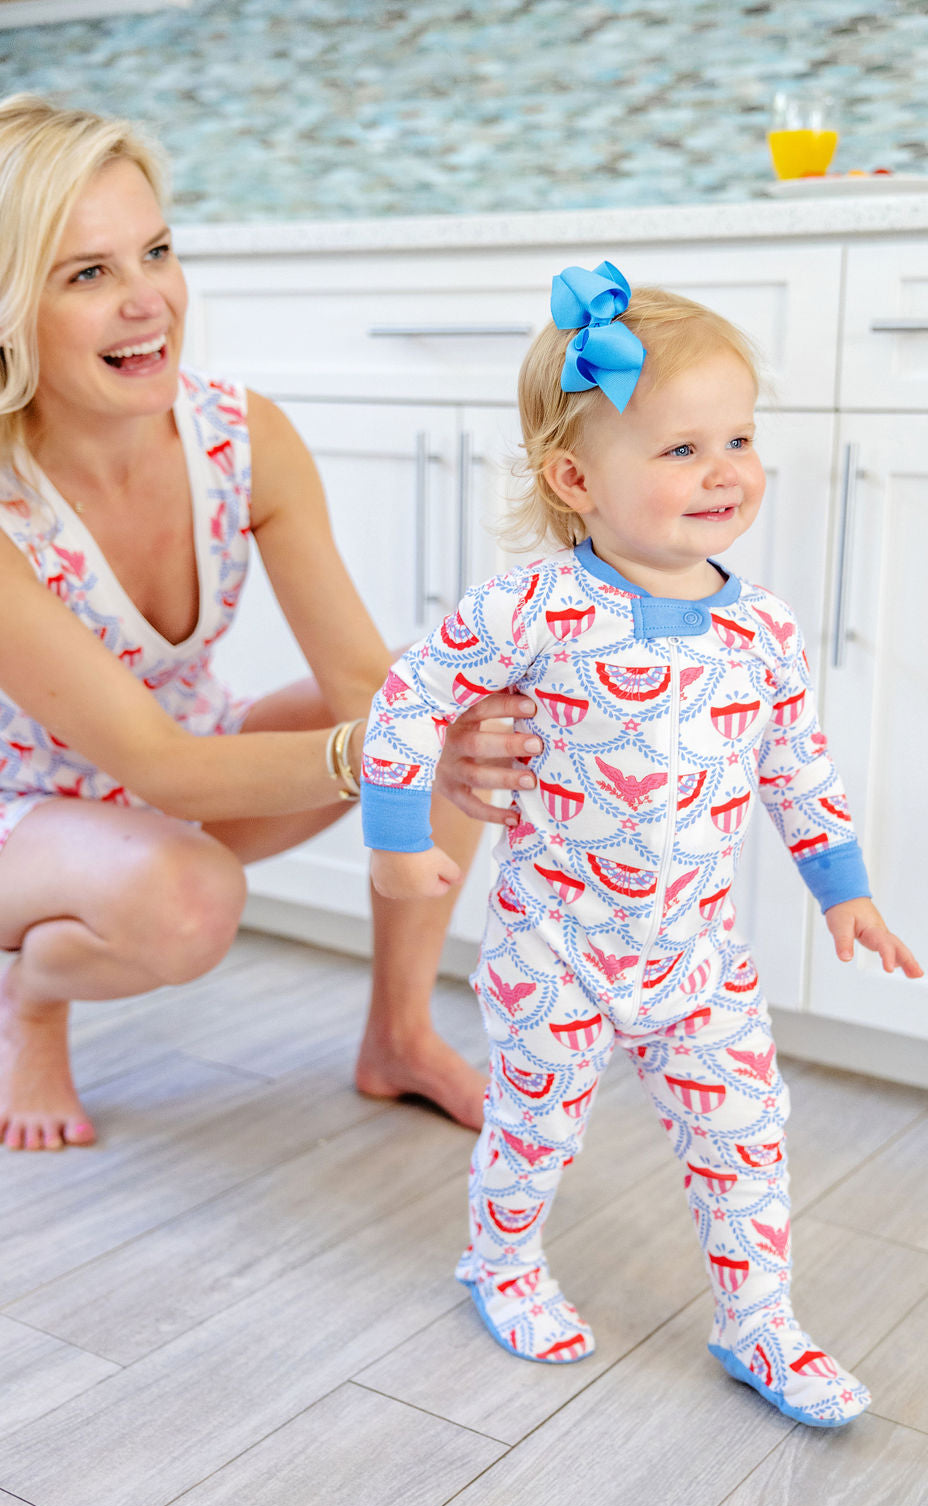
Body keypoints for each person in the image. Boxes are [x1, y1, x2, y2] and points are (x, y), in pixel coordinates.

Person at [358, 262, 924, 1427]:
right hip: (555, 943)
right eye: (680, 449)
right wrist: (397, 835)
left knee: (744, 1131)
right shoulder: (532, 606)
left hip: (695, 954)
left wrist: (843, 887)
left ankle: (758, 1319)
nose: (724, 470)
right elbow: (409, 699)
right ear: (576, 478)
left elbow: (796, 764)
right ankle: (501, 1264)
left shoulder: (762, 629)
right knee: (535, 1126)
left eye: (738, 439)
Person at [0, 94, 544, 1152]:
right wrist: (389, 750)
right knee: (193, 901)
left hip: (186, 763)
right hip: (27, 815)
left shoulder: (242, 438)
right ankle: (33, 992)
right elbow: (161, 769)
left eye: (156, 252)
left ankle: (398, 1035)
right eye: (88, 274)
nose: (148, 300)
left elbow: (362, 687)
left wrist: (431, 735)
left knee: (447, 702)